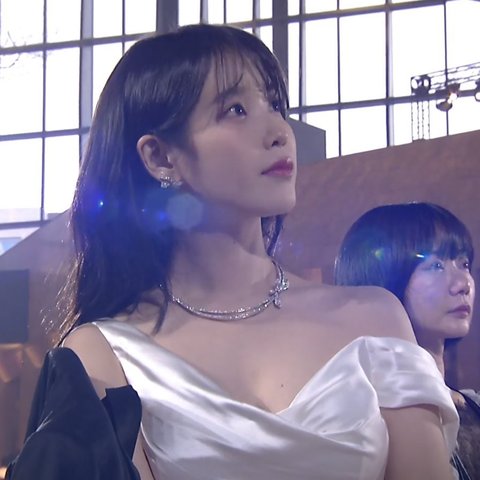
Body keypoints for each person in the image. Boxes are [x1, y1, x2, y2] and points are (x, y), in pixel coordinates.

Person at [59, 24, 457, 479]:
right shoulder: (106, 354)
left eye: (274, 105)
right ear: (161, 158)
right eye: (236, 109)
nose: (279, 132)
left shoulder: (376, 319)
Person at [334, 202, 479, 479]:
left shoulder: (472, 406)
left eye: (464, 263)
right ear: (382, 279)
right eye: (436, 265)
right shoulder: (361, 422)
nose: (463, 283)